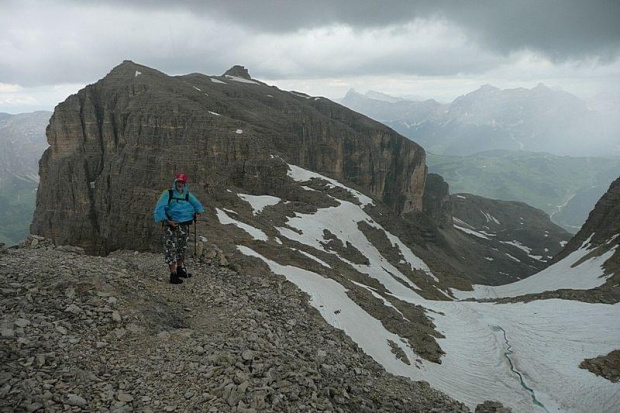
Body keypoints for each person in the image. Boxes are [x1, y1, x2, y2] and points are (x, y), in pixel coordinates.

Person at [154, 173, 205, 284]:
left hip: (184, 225)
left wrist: (198, 212)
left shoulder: (187, 194)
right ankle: (173, 275)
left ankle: (179, 269)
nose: (180, 184)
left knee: (182, 247)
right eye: (178, 182)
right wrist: (168, 221)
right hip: (171, 225)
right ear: (175, 183)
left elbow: (197, 204)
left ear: (184, 184)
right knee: (171, 248)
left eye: (182, 182)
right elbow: (159, 208)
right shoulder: (168, 193)